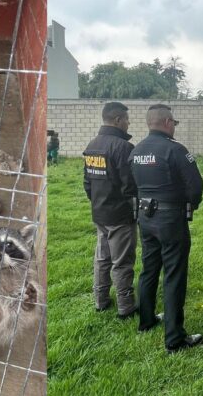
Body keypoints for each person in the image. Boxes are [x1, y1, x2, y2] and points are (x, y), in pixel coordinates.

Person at [128, 104, 203, 353]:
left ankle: (147, 320)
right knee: (174, 275)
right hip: (170, 219)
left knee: (149, 269)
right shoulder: (176, 150)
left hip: (145, 218)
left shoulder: (136, 151)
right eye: (175, 123)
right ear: (168, 122)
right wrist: (191, 203)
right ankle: (174, 338)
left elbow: (131, 186)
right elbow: (195, 187)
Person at [83, 102, 138, 318]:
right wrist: (134, 211)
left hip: (100, 213)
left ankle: (101, 300)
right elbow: (130, 186)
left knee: (102, 259)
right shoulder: (123, 148)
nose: (128, 122)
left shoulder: (92, 145)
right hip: (120, 215)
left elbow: (87, 183)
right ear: (117, 120)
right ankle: (126, 307)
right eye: (126, 119)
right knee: (122, 262)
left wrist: (97, 202)